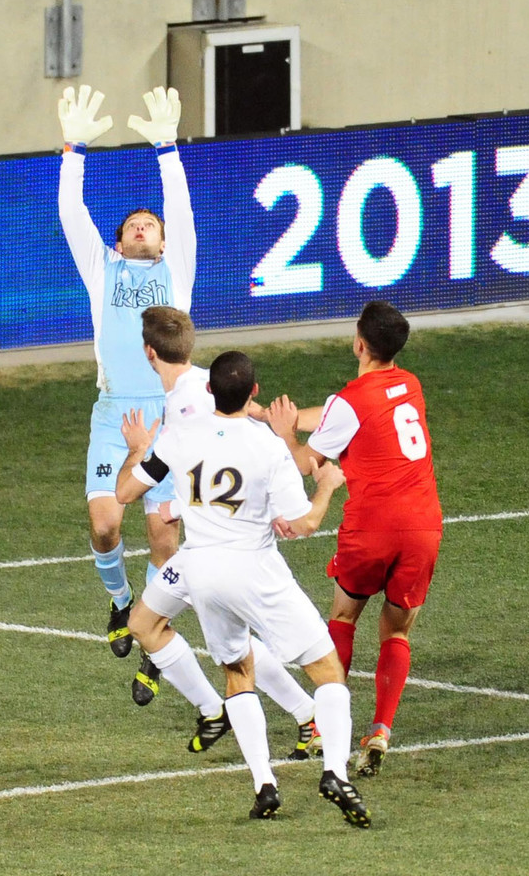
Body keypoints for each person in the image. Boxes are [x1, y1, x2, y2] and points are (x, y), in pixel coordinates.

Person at [116, 350, 372, 827]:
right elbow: (302, 525)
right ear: (254, 393)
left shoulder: (178, 435)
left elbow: (127, 493)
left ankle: (265, 786)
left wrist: (138, 446)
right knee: (327, 670)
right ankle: (334, 771)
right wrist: (328, 486)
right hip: (255, 570)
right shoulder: (266, 446)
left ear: (209, 390)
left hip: (202, 573)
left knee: (237, 672)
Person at [116, 305, 323, 761]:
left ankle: (303, 716)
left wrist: (139, 454)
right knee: (146, 625)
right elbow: (249, 420)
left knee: (232, 646)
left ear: (149, 353)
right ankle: (220, 711)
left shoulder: (189, 403)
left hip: (221, 548)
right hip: (207, 544)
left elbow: (129, 490)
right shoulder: (205, 383)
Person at [267, 300, 443, 779]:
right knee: (397, 629)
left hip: (373, 526)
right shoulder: (409, 385)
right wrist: (270, 414)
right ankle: (381, 729)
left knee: (344, 616)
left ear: (359, 344)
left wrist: (283, 435)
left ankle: (328, 726)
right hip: (424, 526)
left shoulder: (351, 402)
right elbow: (335, 413)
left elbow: (306, 462)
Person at [57, 84, 194, 694]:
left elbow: (181, 209)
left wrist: (167, 147)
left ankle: (154, 639)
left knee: (165, 536)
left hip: (168, 417)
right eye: (133, 226)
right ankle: (120, 600)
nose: (144, 228)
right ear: (118, 243)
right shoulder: (102, 270)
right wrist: (73, 149)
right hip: (114, 413)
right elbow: (70, 213)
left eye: (152, 225)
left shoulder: (177, 267)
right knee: (107, 524)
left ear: (164, 242)